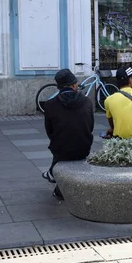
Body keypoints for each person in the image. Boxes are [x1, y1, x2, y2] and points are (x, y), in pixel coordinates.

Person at [43, 69, 94, 200]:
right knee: (70, 140)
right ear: (73, 85)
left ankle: (55, 178)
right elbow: (91, 126)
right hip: (84, 148)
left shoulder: (49, 105)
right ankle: (53, 174)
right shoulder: (87, 102)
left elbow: (50, 131)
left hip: (60, 151)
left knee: (61, 142)